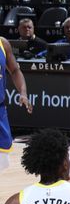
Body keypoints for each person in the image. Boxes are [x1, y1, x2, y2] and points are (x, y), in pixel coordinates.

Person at [0, 37, 32, 171]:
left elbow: (14, 70)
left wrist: (23, 93)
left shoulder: (3, 43)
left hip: (0, 109)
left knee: (3, 161)